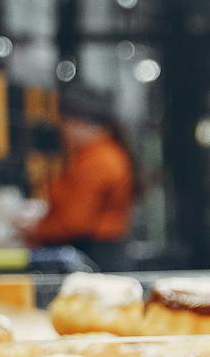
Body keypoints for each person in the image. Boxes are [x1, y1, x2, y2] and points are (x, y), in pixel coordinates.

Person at [22, 97, 135, 269]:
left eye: (65, 123)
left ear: (80, 123)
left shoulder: (98, 161)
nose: (63, 131)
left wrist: (36, 229)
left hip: (94, 253)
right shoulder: (104, 154)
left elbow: (75, 222)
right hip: (103, 250)